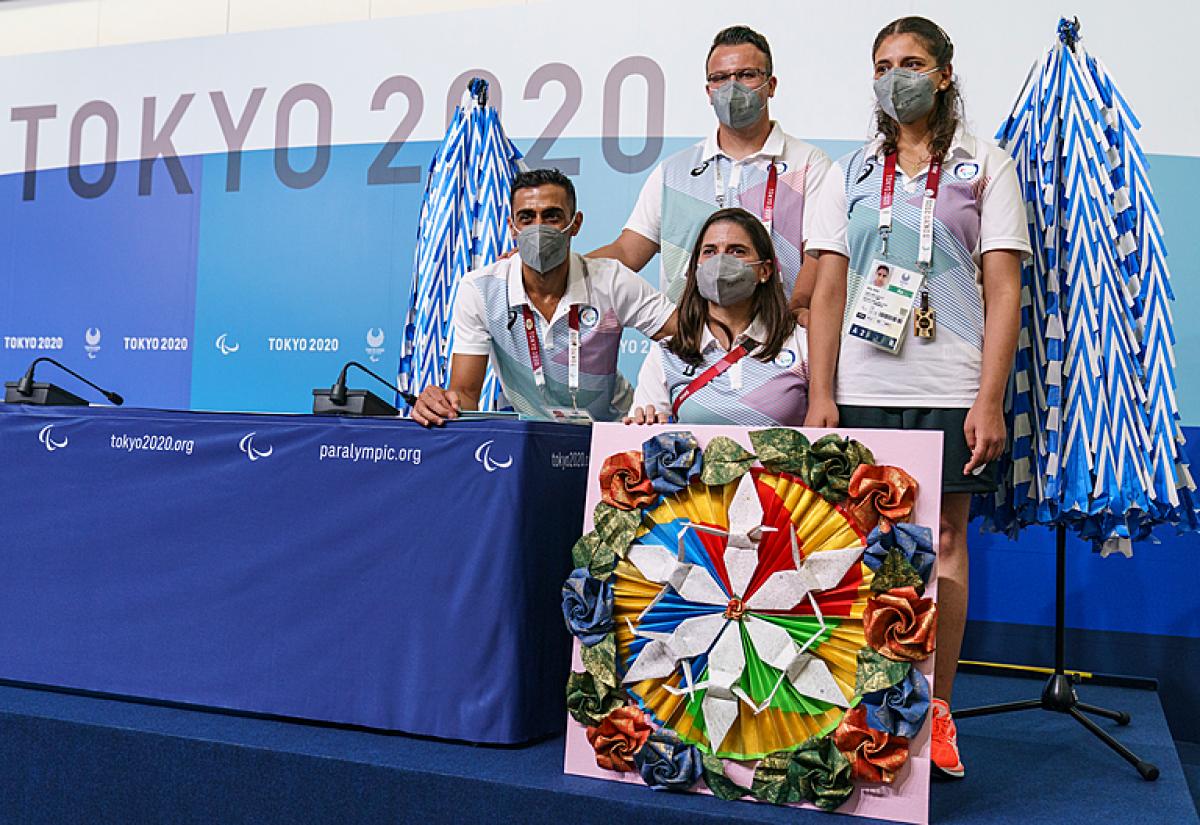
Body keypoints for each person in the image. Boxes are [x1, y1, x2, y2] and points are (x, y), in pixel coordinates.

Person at [804, 17, 1028, 779]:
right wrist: (821, 392)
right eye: (883, 63)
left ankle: (937, 706)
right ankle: (868, 704)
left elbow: (1003, 287)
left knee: (948, 544)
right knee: (865, 548)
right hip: (862, 388)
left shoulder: (985, 164)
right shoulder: (849, 172)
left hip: (951, 387)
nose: (896, 75)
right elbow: (829, 288)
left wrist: (989, 398)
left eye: (912, 62)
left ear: (942, 74)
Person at [590, 25, 831, 315]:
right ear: (708, 91)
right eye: (720, 78)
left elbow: (819, 256)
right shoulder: (673, 172)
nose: (732, 87)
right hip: (691, 346)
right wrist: (564, 269)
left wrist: (791, 322)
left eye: (746, 75)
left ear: (771, 85)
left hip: (777, 346)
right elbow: (627, 252)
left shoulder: (809, 165)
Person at [411, 169, 676, 426]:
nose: (537, 229)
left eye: (551, 217)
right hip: (529, 435)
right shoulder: (480, 288)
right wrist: (441, 406)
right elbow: (465, 394)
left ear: (576, 224)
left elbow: (689, 337)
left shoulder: (611, 279)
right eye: (526, 218)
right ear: (512, 227)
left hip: (610, 431)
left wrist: (655, 400)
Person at [626, 207, 807, 426]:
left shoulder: (801, 341)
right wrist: (645, 426)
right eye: (710, 251)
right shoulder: (667, 353)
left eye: (737, 251)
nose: (720, 261)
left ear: (765, 271)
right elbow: (646, 436)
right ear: (695, 268)